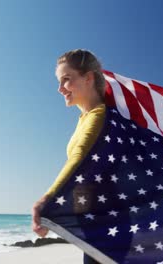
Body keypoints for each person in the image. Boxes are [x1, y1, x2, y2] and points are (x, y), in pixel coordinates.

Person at [31, 49, 107, 264]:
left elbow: (79, 156)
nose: (60, 89)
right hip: (93, 221)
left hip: (105, 223)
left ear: (88, 78)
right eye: (59, 81)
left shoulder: (99, 115)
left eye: (66, 80)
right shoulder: (84, 118)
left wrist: (46, 200)